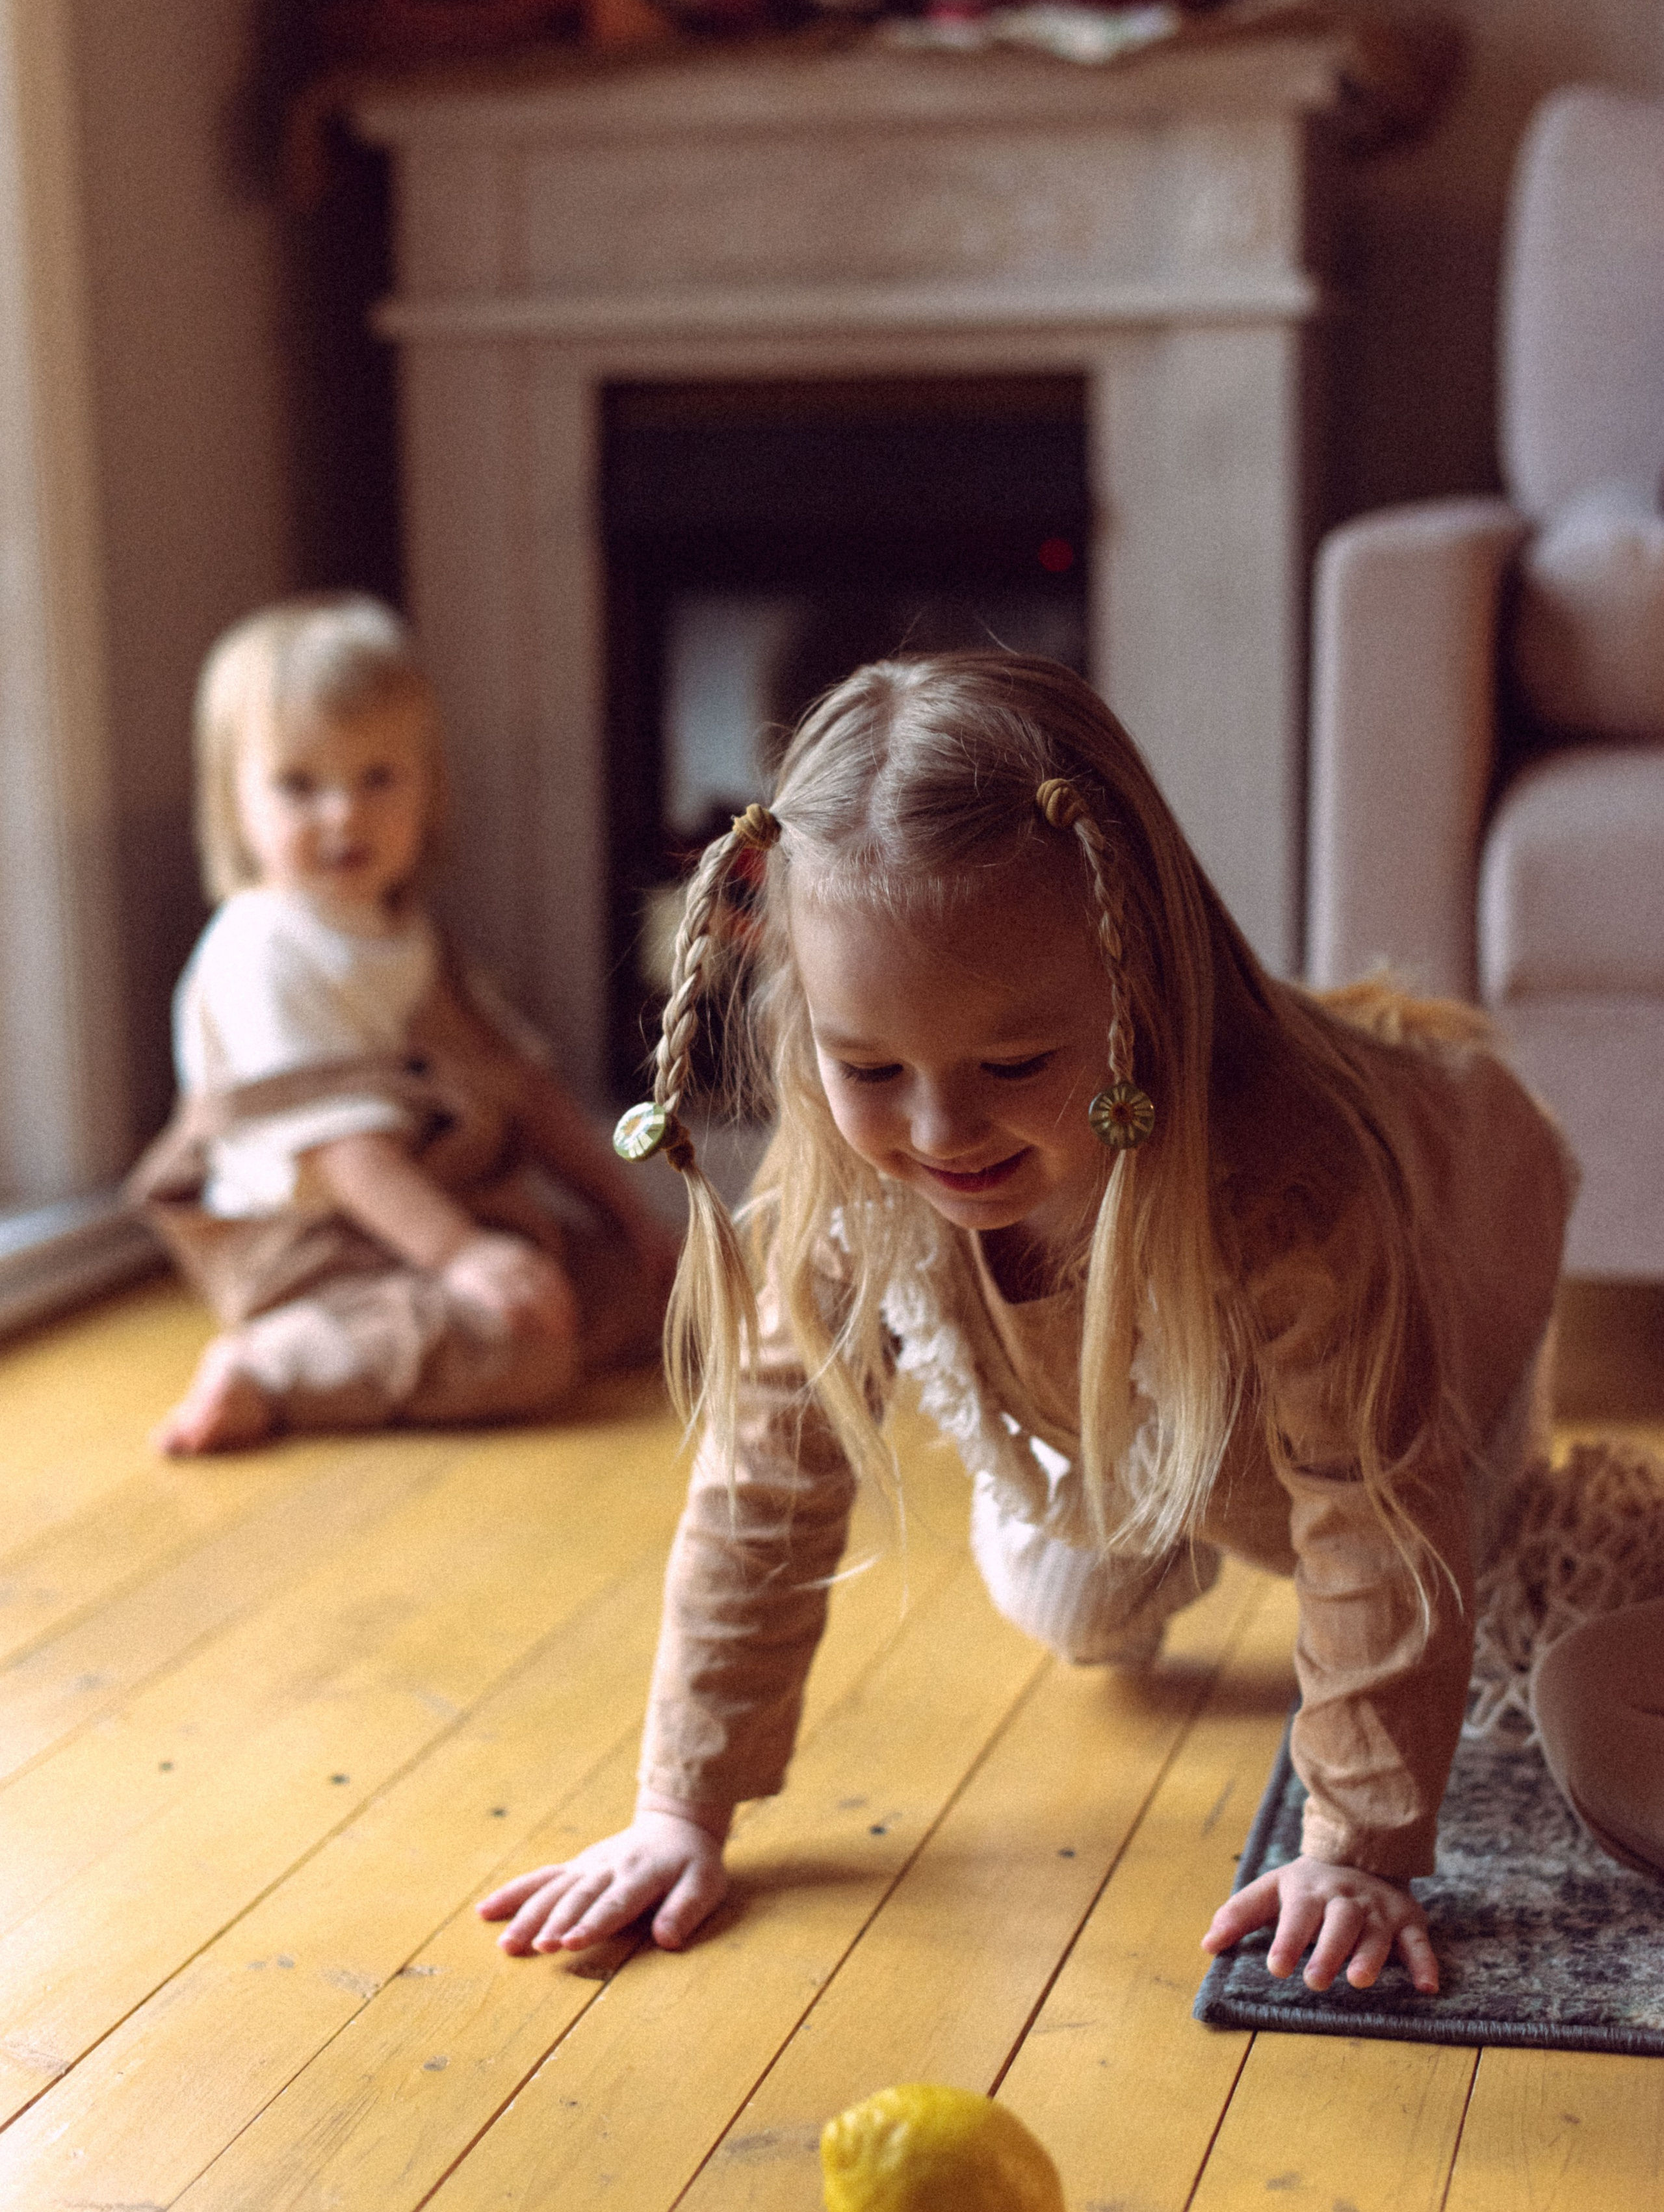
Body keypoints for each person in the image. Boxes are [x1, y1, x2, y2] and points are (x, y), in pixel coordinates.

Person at [478, 650, 1580, 1994]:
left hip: (1445, 1293)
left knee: (1492, 1600)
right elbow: (763, 1473)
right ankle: (1170, 1509)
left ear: (1142, 992)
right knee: (1068, 1601)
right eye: (871, 1067)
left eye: (1012, 1066)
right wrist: (679, 1804)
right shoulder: (847, 1171)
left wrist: (1356, 1842)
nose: (939, 1133)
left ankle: (1538, 1535)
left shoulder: (1297, 1182)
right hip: (1139, 1394)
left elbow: (1368, 1510)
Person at [132, 593, 679, 1454]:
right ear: (237, 802)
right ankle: (270, 1366)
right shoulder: (261, 950)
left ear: (429, 787)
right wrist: (462, 1256)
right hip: (315, 1246)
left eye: (376, 778)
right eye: (300, 786)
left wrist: (632, 1217)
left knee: (642, 1291)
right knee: (522, 1349)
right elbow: (347, 1157)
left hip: (444, 1213)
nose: (343, 814)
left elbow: (525, 1090)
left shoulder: (412, 938)